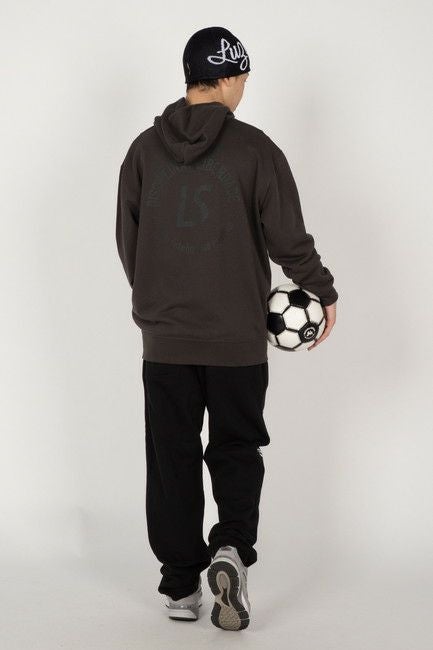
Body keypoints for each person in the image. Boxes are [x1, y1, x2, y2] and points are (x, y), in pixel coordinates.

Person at [116, 25, 338, 631]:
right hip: (237, 341)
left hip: (165, 341)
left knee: (172, 458)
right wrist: (321, 289)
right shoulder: (256, 150)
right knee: (236, 448)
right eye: (243, 79)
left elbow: (129, 243)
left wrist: (156, 301)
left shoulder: (143, 151)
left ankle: (179, 585)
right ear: (232, 77)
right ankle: (232, 549)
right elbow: (288, 239)